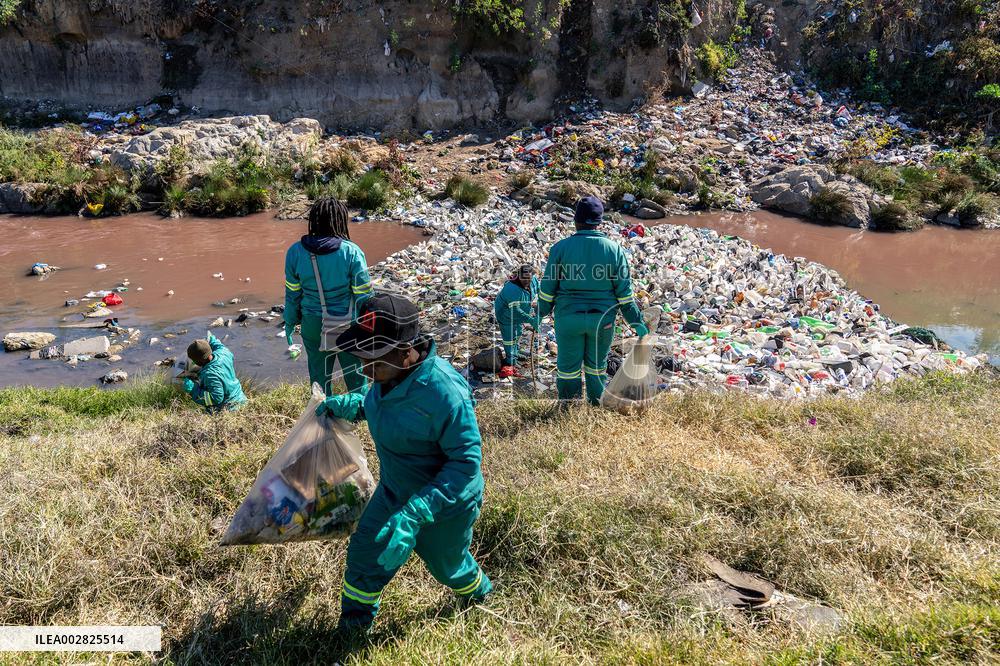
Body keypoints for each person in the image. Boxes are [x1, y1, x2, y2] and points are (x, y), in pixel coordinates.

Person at [315, 293, 492, 630]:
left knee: (447, 566)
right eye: (362, 358)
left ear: (406, 352)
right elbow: (381, 403)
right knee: (366, 553)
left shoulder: (444, 394)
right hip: (396, 490)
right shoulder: (387, 375)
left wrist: (416, 514)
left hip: (444, 507)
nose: (366, 369)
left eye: (374, 360)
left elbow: (465, 464)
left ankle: (479, 595)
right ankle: (355, 623)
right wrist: (353, 405)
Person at [537, 196, 649, 405]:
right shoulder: (615, 250)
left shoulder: (560, 249)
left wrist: (539, 314)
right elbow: (625, 296)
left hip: (568, 319)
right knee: (597, 367)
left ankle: (568, 409)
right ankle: (596, 406)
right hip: (602, 321)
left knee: (568, 369)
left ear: (575, 220)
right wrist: (637, 324)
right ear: (599, 222)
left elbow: (547, 291)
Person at [283, 197, 372, 396]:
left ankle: (323, 417)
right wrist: (368, 327)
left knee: (319, 379)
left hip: (313, 325)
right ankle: (360, 416)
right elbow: (364, 297)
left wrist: (290, 321)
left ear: (313, 220)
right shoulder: (352, 252)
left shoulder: (295, 252)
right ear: (339, 220)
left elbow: (292, 295)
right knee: (356, 377)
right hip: (348, 325)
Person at [182, 332, 247, 412]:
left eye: (194, 360)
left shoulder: (210, 374)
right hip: (240, 397)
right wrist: (212, 340)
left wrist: (193, 390)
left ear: (199, 361)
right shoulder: (223, 353)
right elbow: (219, 346)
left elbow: (216, 398)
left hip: (230, 407)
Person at [493, 263, 539, 371]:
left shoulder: (533, 281)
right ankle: (510, 360)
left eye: (529, 278)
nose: (527, 281)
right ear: (518, 275)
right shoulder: (511, 288)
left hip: (521, 312)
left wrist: (541, 308)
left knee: (518, 332)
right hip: (505, 313)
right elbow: (515, 310)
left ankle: (516, 352)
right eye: (524, 278)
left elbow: (541, 291)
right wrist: (531, 320)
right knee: (510, 337)